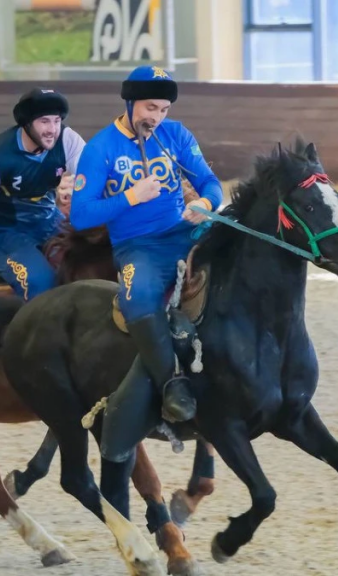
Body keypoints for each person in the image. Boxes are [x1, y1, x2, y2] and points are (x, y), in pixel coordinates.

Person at [69, 65, 223, 458]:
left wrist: (204, 204)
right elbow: (82, 215)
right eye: (150, 107)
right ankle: (172, 383)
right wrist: (130, 197)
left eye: (164, 109)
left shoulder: (176, 136)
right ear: (130, 103)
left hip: (184, 232)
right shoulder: (101, 148)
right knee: (138, 298)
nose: (156, 117)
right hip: (137, 246)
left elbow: (210, 183)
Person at [0, 88, 85, 300]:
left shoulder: (68, 139)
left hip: (49, 220)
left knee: (87, 267)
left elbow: (91, 178)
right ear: (27, 123)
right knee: (41, 283)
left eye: (57, 121)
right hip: (6, 232)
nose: (53, 129)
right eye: (44, 121)